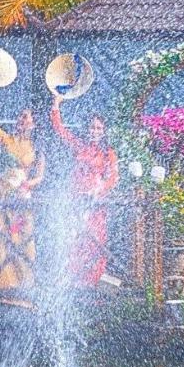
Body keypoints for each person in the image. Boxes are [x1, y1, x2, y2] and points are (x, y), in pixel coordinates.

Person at [0, 85, 44, 289]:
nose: (23, 120)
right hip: (2, 196)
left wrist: (25, 185)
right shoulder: (7, 140)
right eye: (21, 117)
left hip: (22, 199)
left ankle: (23, 284)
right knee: (0, 239)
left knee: (22, 240)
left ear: (34, 124)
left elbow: (39, 177)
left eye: (27, 117)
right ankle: (0, 284)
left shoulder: (36, 149)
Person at [48, 96, 118, 288]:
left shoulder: (108, 153)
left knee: (94, 241)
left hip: (95, 205)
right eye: (92, 127)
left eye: (98, 128)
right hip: (76, 201)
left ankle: (92, 279)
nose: (94, 131)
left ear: (104, 132)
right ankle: (74, 279)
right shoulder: (80, 146)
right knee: (74, 239)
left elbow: (112, 178)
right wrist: (56, 105)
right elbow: (60, 130)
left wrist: (98, 191)